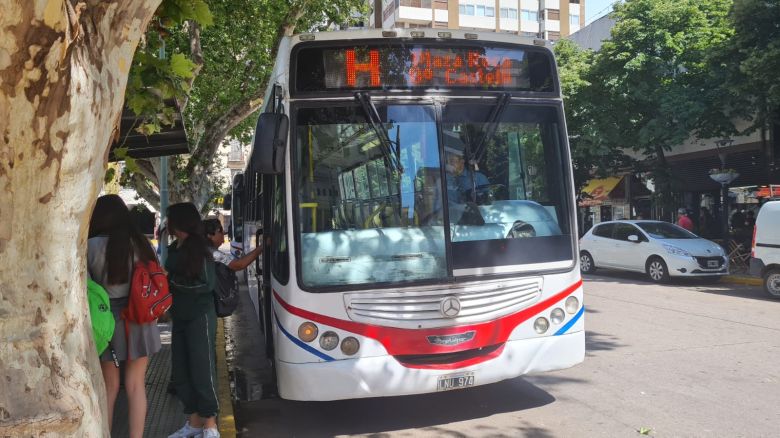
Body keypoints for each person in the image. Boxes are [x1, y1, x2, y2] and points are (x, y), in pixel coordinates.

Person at [87, 195, 161, 438]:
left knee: (109, 387)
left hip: (105, 323)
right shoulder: (140, 244)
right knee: (136, 386)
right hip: (139, 320)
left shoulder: (89, 246)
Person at [165, 203, 221, 438]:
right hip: (179, 316)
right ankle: (194, 423)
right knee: (182, 371)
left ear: (177, 224)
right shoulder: (173, 248)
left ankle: (210, 425)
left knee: (202, 369)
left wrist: (172, 283)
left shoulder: (201, 249)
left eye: (169, 221)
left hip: (199, 317)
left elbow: (207, 284)